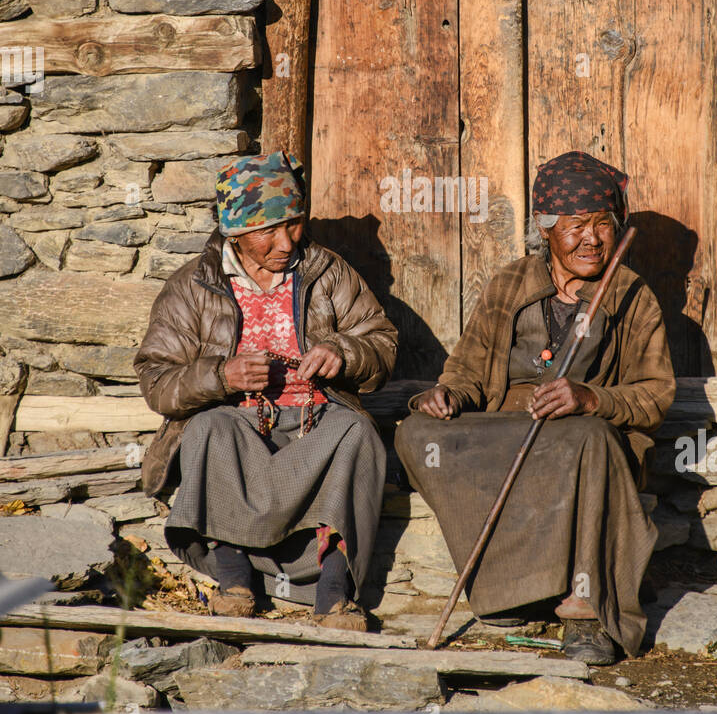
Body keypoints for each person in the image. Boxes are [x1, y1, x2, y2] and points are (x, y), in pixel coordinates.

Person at [395, 150, 676, 664]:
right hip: (505, 429)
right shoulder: (512, 283)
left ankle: (585, 611)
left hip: (584, 438)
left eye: (602, 225)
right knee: (415, 433)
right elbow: (468, 369)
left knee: (586, 438)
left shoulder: (632, 296)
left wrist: (593, 399)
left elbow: (656, 395)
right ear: (545, 229)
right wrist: (448, 395)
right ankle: (509, 585)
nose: (591, 239)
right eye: (575, 226)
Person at [135, 150, 397, 629]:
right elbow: (156, 380)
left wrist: (344, 353)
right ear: (235, 231)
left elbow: (381, 340)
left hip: (318, 417)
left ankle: (335, 594)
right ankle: (234, 580)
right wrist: (221, 376)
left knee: (357, 432)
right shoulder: (193, 286)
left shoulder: (325, 271)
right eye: (268, 231)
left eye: (294, 224)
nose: (287, 241)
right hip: (239, 422)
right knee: (210, 428)